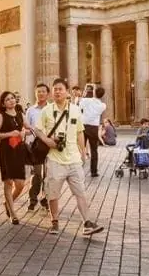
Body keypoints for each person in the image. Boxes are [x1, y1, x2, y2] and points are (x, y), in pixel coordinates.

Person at [38, 78, 104, 236]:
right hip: (55, 159)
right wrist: (47, 140)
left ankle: (87, 223)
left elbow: (80, 132)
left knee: (80, 192)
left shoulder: (75, 110)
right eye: (55, 89)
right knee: (53, 194)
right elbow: (38, 130)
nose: (57, 91)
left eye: (60, 89)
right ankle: (54, 221)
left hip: (73, 159)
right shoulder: (46, 110)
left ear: (67, 91)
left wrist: (83, 152)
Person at [0, 90, 28, 224]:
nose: (11, 100)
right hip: (6, 151)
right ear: (3, 103)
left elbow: (28, 127)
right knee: (8, 182)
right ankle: (13, 213)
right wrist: (10, 134)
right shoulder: (0, 116)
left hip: (19, 150)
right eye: (7, 99)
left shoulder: (21, 114)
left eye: (12, 98)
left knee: (20, 184)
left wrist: (24, 132)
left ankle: (8, 203)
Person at [26, 83, 50, 211]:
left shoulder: (52, 109)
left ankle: (45, 199)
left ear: (47, 94)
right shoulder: (31, 110)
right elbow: (26, 128)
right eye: (38, 91)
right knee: (36, 174)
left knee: (48, 173)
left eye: (43, 91)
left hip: (49, 146)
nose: (40, 93)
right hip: (35, 146)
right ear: (35, 93)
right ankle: (32, 199)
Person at [79, 86, 106, 177]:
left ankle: (77, 170)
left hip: (83, 126)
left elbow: (80, 105)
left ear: (94, 93)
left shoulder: (86, 100)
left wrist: (84, 93)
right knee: (94, 150)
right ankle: (94, 171)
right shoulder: (103, 105)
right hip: (94, 128)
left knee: (80, 148)